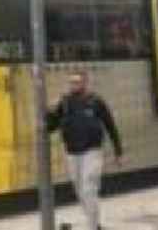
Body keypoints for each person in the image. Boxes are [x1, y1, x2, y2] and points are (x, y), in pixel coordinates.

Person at [47, 71, 123, 230]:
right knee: (80, 191)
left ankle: (92, 226)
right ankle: (94, 223)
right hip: (72, 153)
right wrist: (49, 112)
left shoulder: (96, 101)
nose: (73, 85)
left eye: (76, 82)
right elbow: (51, 127)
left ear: (84, 83)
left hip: (92, 151)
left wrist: (118, 151)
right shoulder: (64, 102)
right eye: (71, 82)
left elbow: (110, 125)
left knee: (89, 188)